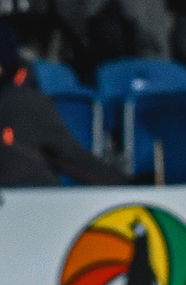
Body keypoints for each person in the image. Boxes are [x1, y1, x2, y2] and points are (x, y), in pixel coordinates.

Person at [0, 21, 131, 187]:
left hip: (29, 202)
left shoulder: (22, 103)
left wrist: (126, 184)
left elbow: (71, 157)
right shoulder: (24, 100)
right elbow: (72, 157)